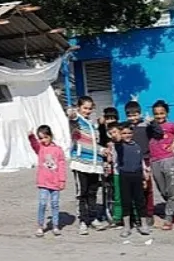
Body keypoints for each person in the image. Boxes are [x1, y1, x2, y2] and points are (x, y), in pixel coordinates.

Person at [67, 96, 110, 235]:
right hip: (80, 163)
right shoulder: (77, 121)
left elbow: (94, 145)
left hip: (94, 164)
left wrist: (103, 150)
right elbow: (72, 117)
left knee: (92, 192)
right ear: (79, 107)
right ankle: (83, 221)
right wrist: (72, 113)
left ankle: (93, 218)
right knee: (82, 193)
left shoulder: (92, 125)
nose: (87, 110)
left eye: (90, 108)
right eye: (85, 108)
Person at [148, 100, 174, 230]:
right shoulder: (150, 127)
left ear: (166, 113)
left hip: (169, 161)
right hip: (154, 161)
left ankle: (168, 218)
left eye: (162, 113)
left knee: (171, 192)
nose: (159, 116)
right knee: (162, 190)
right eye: (156, 114)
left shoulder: (171, 126)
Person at [28, 125, 67, 237]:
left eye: (45, 137)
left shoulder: (58, 150)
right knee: (42, 203)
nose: (43, 140)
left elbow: (62, 165)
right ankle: (40, 225)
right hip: (43, 182)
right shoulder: (40, 148)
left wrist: (62, 180)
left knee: (55, 204)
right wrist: (31, 136)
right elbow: (34, 144)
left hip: (55, 182)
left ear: (50, 136)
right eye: (41, 138)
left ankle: (55, 225)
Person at [116, 122, 152, 237]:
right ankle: (127, 227)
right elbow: (115, 139)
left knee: (140, 200)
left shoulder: (137, 146)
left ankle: (143, 224)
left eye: (129, 133)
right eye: (124, 133)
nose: (127, 135)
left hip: (137, 175)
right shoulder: (119, 146)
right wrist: (117, 136)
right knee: (126, 201)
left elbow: (141, 160)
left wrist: (145, 172)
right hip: (124, 175)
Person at [124, 101, 154, 227]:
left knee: (147, 188)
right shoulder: (125, 127)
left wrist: (152, 122)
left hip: (146, 159)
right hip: (131, 162)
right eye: (130, 115)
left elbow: (157, 133)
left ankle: (149, 213)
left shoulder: (146, 125)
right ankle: (135, 215)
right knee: (134, 190)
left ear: (140, 113)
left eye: (136, 115)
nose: (133, 118)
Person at [105, 122, 124, 226]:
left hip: (127, 172)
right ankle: (117, 217)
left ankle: (134, 217)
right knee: (117, 196)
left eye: (115, 132)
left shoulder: (127, 142)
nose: (113, 134)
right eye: (111, 133)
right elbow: (109, 160)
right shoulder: (111, 145)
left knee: (130, 195)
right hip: (116, 172)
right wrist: (108, 153)